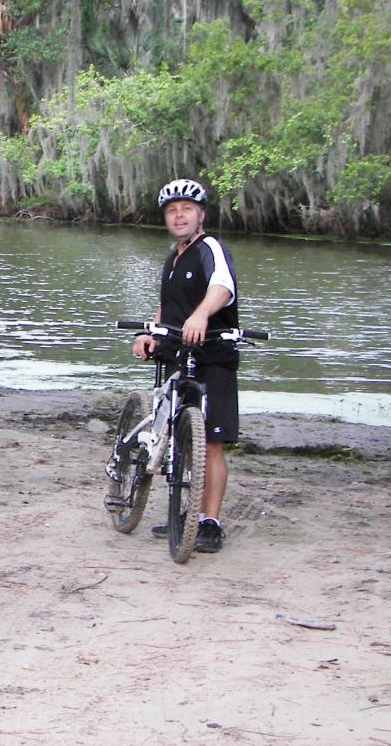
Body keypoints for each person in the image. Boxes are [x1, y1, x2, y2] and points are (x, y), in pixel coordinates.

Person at [133, 178, 238, 554]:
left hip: (213, 353)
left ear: (201, 215)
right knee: (184, 440)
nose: (179, 216)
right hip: (179, 353)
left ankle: (209, 521)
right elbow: (168, 307)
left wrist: (202, 316)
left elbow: (222, 287)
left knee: (210, 443)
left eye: (187, 210)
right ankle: (185, 512)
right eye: (172, 211)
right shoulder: (174, 257)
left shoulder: (210, 248)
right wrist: (150, 331)